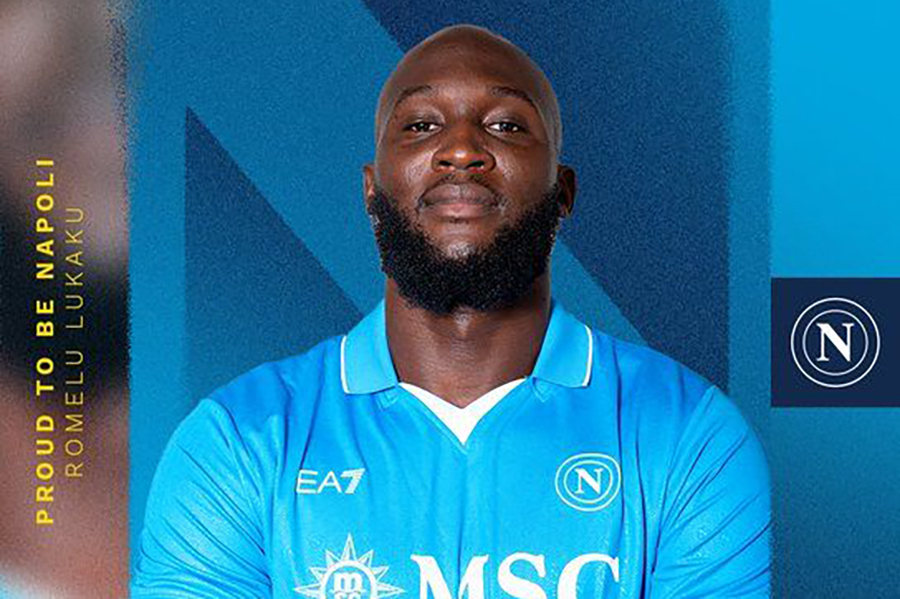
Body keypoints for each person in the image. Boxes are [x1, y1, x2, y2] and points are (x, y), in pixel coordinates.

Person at [132, 24, 770, 599]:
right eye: (420, 126)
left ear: (563, 192)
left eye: (506, 126)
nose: (462, 149)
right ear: (371, 189)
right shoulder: (238, 441)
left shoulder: (688, 435)